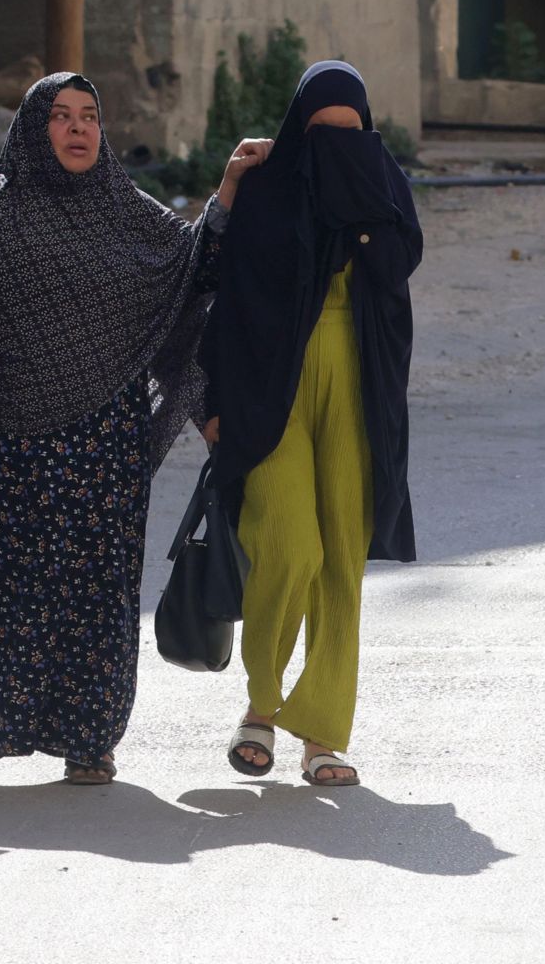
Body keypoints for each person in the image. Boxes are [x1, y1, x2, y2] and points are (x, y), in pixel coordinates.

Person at [0, 72, 263, 785]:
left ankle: (88, 736)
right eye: (61, 116)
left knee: (88, 596)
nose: (79, 129)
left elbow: (193, 270)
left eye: (90, 116)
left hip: (95, 443)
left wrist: (230, 187)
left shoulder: (128, 212)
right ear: (31, 127)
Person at [201, 61, 422, 788]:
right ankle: (261, 705)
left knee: (341, 563)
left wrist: (356, 194)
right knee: (290, 543)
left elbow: (395, 269)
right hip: (270, 388)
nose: (335, 148)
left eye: (349, 136)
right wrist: (210, 406)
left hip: (358, 385)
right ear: (297, 129)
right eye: (321, 136)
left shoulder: (385, 188)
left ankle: (322, 734)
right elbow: (220, 296)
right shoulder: (265, 189)